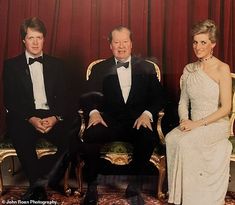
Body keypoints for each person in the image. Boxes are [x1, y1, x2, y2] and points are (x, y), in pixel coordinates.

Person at [78, 25, 165, 205]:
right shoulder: (100, 68)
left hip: (136, 120)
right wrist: (93, 112)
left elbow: (160, 96)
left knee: (148, 138)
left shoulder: (147, 67)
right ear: (110, 45)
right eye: (116, 42)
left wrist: (147, 114)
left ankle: (133, 188)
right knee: (90, 135)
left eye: (125, 41)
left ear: (132, 44)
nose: (121, 46)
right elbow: (86, 94)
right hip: (109, 120)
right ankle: (92, 187)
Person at [3, 17, 73, 201]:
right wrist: (31, 118)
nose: (35, 42)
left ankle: (44, 179)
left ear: (44, 39)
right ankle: (38, 185)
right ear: (23, 40)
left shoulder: (58, 65)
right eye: (31, 37)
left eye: (39, 37)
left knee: (73, 138)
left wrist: (56, 117)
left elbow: (65, 97)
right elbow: (10, 101)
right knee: (19, 133)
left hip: (51, 115)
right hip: (25, 117)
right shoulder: (11, 66)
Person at [165, 19, 232, 205]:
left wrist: (196, 124)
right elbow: (183, 101)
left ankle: (192, 200)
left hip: (216, 125)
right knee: (171, 139)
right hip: (192, 122)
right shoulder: (189, 69)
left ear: (213, 44)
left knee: (185, 143)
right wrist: (185, 120)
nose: (198, 46)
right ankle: (177, 197)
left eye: (203, 42)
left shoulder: (222, 68)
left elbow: (226, 108)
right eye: (195, 42)